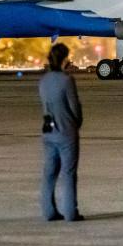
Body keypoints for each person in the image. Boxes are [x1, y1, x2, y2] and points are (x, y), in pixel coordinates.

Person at [38, 42, 84, 221]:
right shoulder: (66, 80)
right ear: (65, 59)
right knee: (68, 173)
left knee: (49, 173)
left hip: (49, 131)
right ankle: (71, 212)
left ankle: (48, 211)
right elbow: (74, 107)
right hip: (66, 132)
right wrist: (76, 124)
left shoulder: (43, 80)